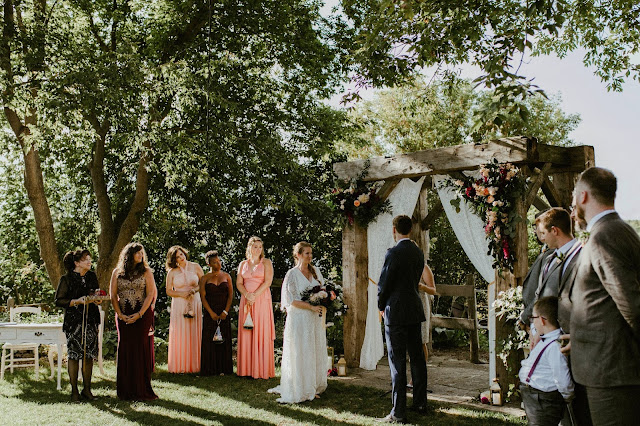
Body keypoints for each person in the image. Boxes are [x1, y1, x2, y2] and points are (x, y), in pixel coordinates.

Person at [568, 167, 640, 425]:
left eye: (575, 195)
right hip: (605, 368)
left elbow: (631, 305)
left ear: (583, 196)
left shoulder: (606, 235)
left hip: (613, 372)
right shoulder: (613, 231)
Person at [377, 215, 428, 423]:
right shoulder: (418, 252)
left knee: (397, 361)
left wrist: (381, 306)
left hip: (396, 311)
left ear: (394, 230)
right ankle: (420, 403)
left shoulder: (393, 253)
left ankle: (398, 412)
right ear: (411, 230)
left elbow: (384, 284)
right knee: (417, 359)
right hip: (414, 309)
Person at [268, 242, 328, 403]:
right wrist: (310, 306)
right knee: (301, 351)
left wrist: (324, 301)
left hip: (314, 319)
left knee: (313, 350)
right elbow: (291, 300)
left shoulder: (316, 272)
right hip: (299, 318)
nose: (310, 256)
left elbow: (323, 290)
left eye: (311, 253)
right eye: (306, 253)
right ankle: (301, 386)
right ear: (298, 255)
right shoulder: (292, 274)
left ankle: (313, 385)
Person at [110, 242, 158, 401]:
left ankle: (141, 389)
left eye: (142, 253)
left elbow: (150, 293)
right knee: (125, 348)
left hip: (142, 314)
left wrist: (140, 314)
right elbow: (113, 296)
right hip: (123, 315)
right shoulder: (117, 272)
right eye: (138, 253)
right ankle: (125, 390)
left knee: (140, 349)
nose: (141, 255)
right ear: (129, 254)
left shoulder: (146, 272)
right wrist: (120, 315)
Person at [519, 296, 574, 426]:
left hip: (544, 400)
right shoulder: (545, 340)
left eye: (533, 318)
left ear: (542, 321)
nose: (533, 322)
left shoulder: (555, 346)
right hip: (534, 397)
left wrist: (566, 395)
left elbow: (562, 376)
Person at [54, 249, 101, 402]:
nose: (89, 261)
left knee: (88, 355)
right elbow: (59, 301)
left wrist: (97, 299)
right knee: (74, 356)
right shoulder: (66, 279)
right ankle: (74, 391)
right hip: (74, 322)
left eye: (89, 259)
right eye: (86, 259)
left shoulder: (92, 276)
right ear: (76, 263)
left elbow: (95, 293)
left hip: (91, 320)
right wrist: (77, 301)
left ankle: (87, 390)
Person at [236, 236, 276, 379]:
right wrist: (247, 295)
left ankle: (261, 369)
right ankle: (246, 369)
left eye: (260, 247)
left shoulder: (266, 262)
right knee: (247, 331)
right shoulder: (243, 264)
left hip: (261, 300)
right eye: (255, 246)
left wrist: (254, 295)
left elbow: (268, 281)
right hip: (246, 300)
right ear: (249, 248)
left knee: (260, 330)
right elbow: (239, 283)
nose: (258, 249)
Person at [166, 245, 204, 373]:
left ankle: (196, 364)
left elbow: (203, 284)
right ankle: (180, 365)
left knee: (194, 331)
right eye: (177, 256)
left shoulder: (195, 266)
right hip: (179, 303)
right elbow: (168, 291)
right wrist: (181, 294)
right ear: (173, 259)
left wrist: (194, 290)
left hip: (194, 301)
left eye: (181, 254)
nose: (181, 257)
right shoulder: (172, 272)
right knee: (180, 332)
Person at [519, 211, 553, 342]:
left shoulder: (552, 254)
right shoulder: (545, 251)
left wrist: (526, 316)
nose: (534, 232)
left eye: (536, 227)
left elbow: (543, 290)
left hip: (541, 318)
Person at [199, 250, 233, 376]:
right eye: (214, 262)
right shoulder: (204, 278)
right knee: (210, 340)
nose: (218, 264)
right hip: (210, 312)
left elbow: (230, 295)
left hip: (224, 311)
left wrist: (226, 311)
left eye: (219, 261)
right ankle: (210, 369)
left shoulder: (227, 276)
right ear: (209, 264)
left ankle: (224, 369)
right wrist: (210, 312)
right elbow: (203, 297)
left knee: (224, 339)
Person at [418, 264, 436, 362]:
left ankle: (420, 372)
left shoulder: (423, 267)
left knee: (421, 340)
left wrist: (422, 287)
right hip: (404, 305)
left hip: (421, 304)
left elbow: (433, 290)